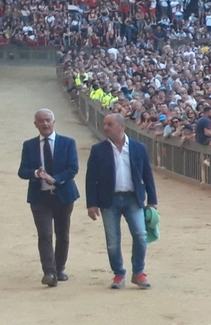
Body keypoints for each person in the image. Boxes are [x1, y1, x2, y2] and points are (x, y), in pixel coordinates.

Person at [84, 112, 158, 289]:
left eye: (109, 124)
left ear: (121, 127)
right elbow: (90, 178)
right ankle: (118, 273)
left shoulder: (139, 148)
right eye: (105, 124)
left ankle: (138, 272)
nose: (106, 127)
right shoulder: (98, 149)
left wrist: (152, 200)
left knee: (140, 235)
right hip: (109, 200)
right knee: (112, 240)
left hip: (133, 198)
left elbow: (147, 175)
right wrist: (91, 203)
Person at [19, 108, 80, 287]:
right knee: (44, 234)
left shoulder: (67, 143)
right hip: (40, 197)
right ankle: (49, 272)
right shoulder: (29, 145)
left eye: (48, 120)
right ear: (35, 124)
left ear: (53, 122)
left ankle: (59, 268)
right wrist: (36, 173)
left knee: (62, 234)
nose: (45, 124)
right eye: (41, 121)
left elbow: (73, 168)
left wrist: (56, 179)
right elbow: (22, 171)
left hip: (63, 195)